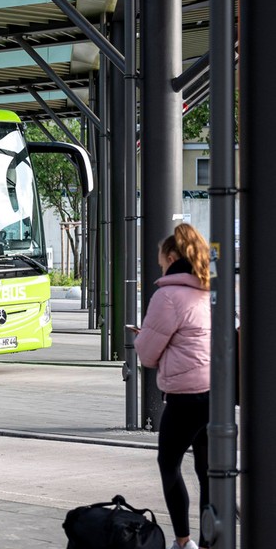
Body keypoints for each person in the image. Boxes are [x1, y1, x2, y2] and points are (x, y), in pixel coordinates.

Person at [133, 223, 211, 549]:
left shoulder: (167, 296)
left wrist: (144, 340)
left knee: (169, 465)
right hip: (215, 393)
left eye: (161, 260)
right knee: (209, 471)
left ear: (172, 256)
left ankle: (184, 541)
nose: (159, 266)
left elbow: (148, 355)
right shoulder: (209, 289)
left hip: (185, 396)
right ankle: (211, 540)